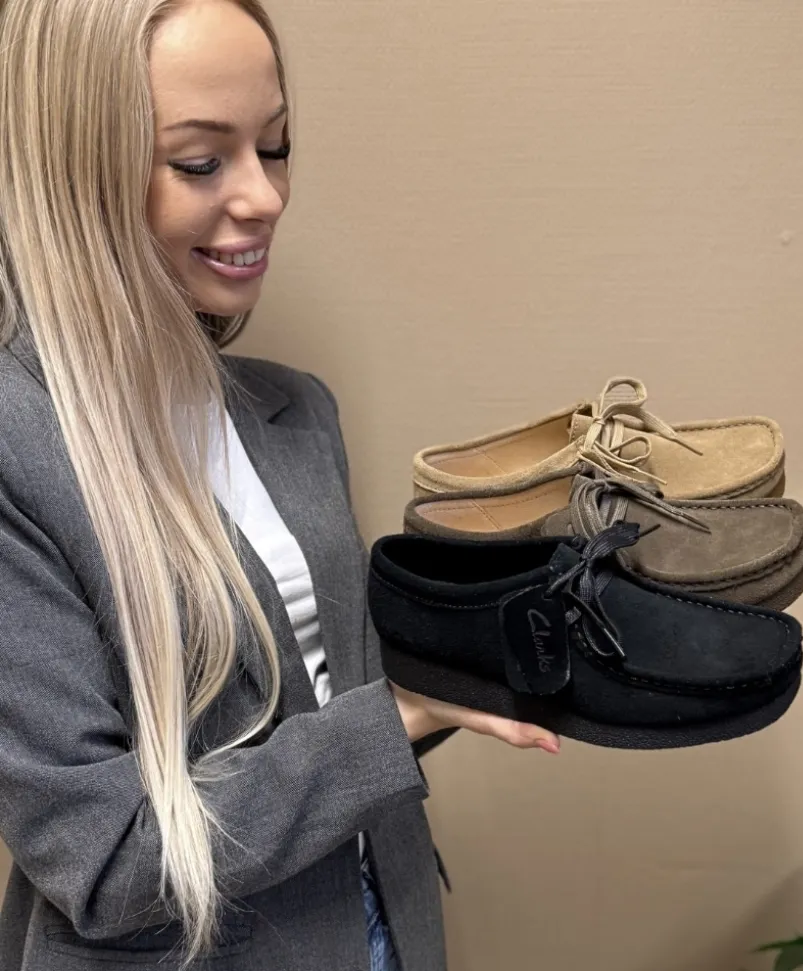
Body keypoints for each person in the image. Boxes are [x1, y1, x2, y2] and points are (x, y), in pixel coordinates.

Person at [0, 1, 560, 968]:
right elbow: (106, 858)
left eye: (276, 145)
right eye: (200, 161)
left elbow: (331, 718)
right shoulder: (20, 449)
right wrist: (406, 712)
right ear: (74, 171)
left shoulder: (296, 414)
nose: (263, 196)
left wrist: (492, 635)